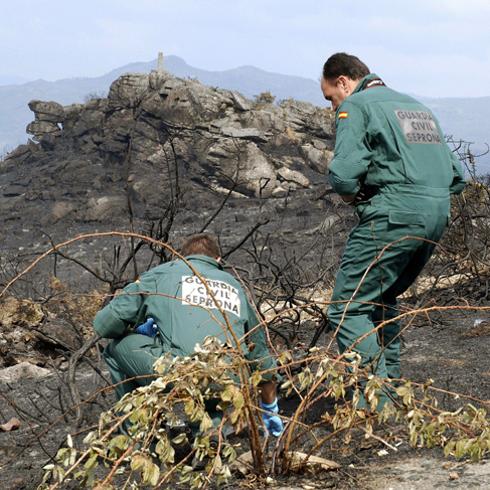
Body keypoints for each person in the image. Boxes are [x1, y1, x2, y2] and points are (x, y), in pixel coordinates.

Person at [320, 53, 466, 409]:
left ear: (343, 82)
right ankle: (394, 389)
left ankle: (378, 403)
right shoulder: (416, 108)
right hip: (436, 215)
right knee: (381, 298)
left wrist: (358, 197)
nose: (332, 105)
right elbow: (458, 177)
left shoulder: (356, 107)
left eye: (330, 97)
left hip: (394, 215)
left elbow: (341, 176)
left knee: (347, 308)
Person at [93, 233, 283, 436]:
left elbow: (104, 325)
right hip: (229, 381)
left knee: (117, 347)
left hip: (182, 375)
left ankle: (137, 434)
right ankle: (209, 432)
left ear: (180, 258)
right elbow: (260, 356)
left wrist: (137, 330)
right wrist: (270, 408)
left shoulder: (163, 274)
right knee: (217, 370)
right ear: (217, 260)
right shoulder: (234, 285)